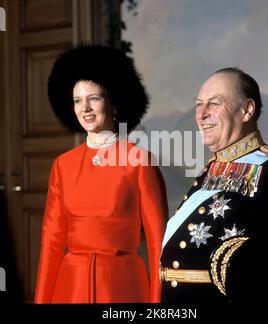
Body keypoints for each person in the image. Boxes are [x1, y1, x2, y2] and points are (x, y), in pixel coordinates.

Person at [34, 44, 168, 304]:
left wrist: (157, 304)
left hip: (124, 289)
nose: (85, 108)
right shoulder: (62, 165)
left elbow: (157, 244)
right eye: (77, 100)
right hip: (69, 290)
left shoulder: (139, 161)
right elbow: (51, 245)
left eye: (94, 98)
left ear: (114, 103)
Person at [160, 67, 268, 307]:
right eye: (198, 104)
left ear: (247, 110)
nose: (202, 114)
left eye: (214, 103)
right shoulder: (209, 172)